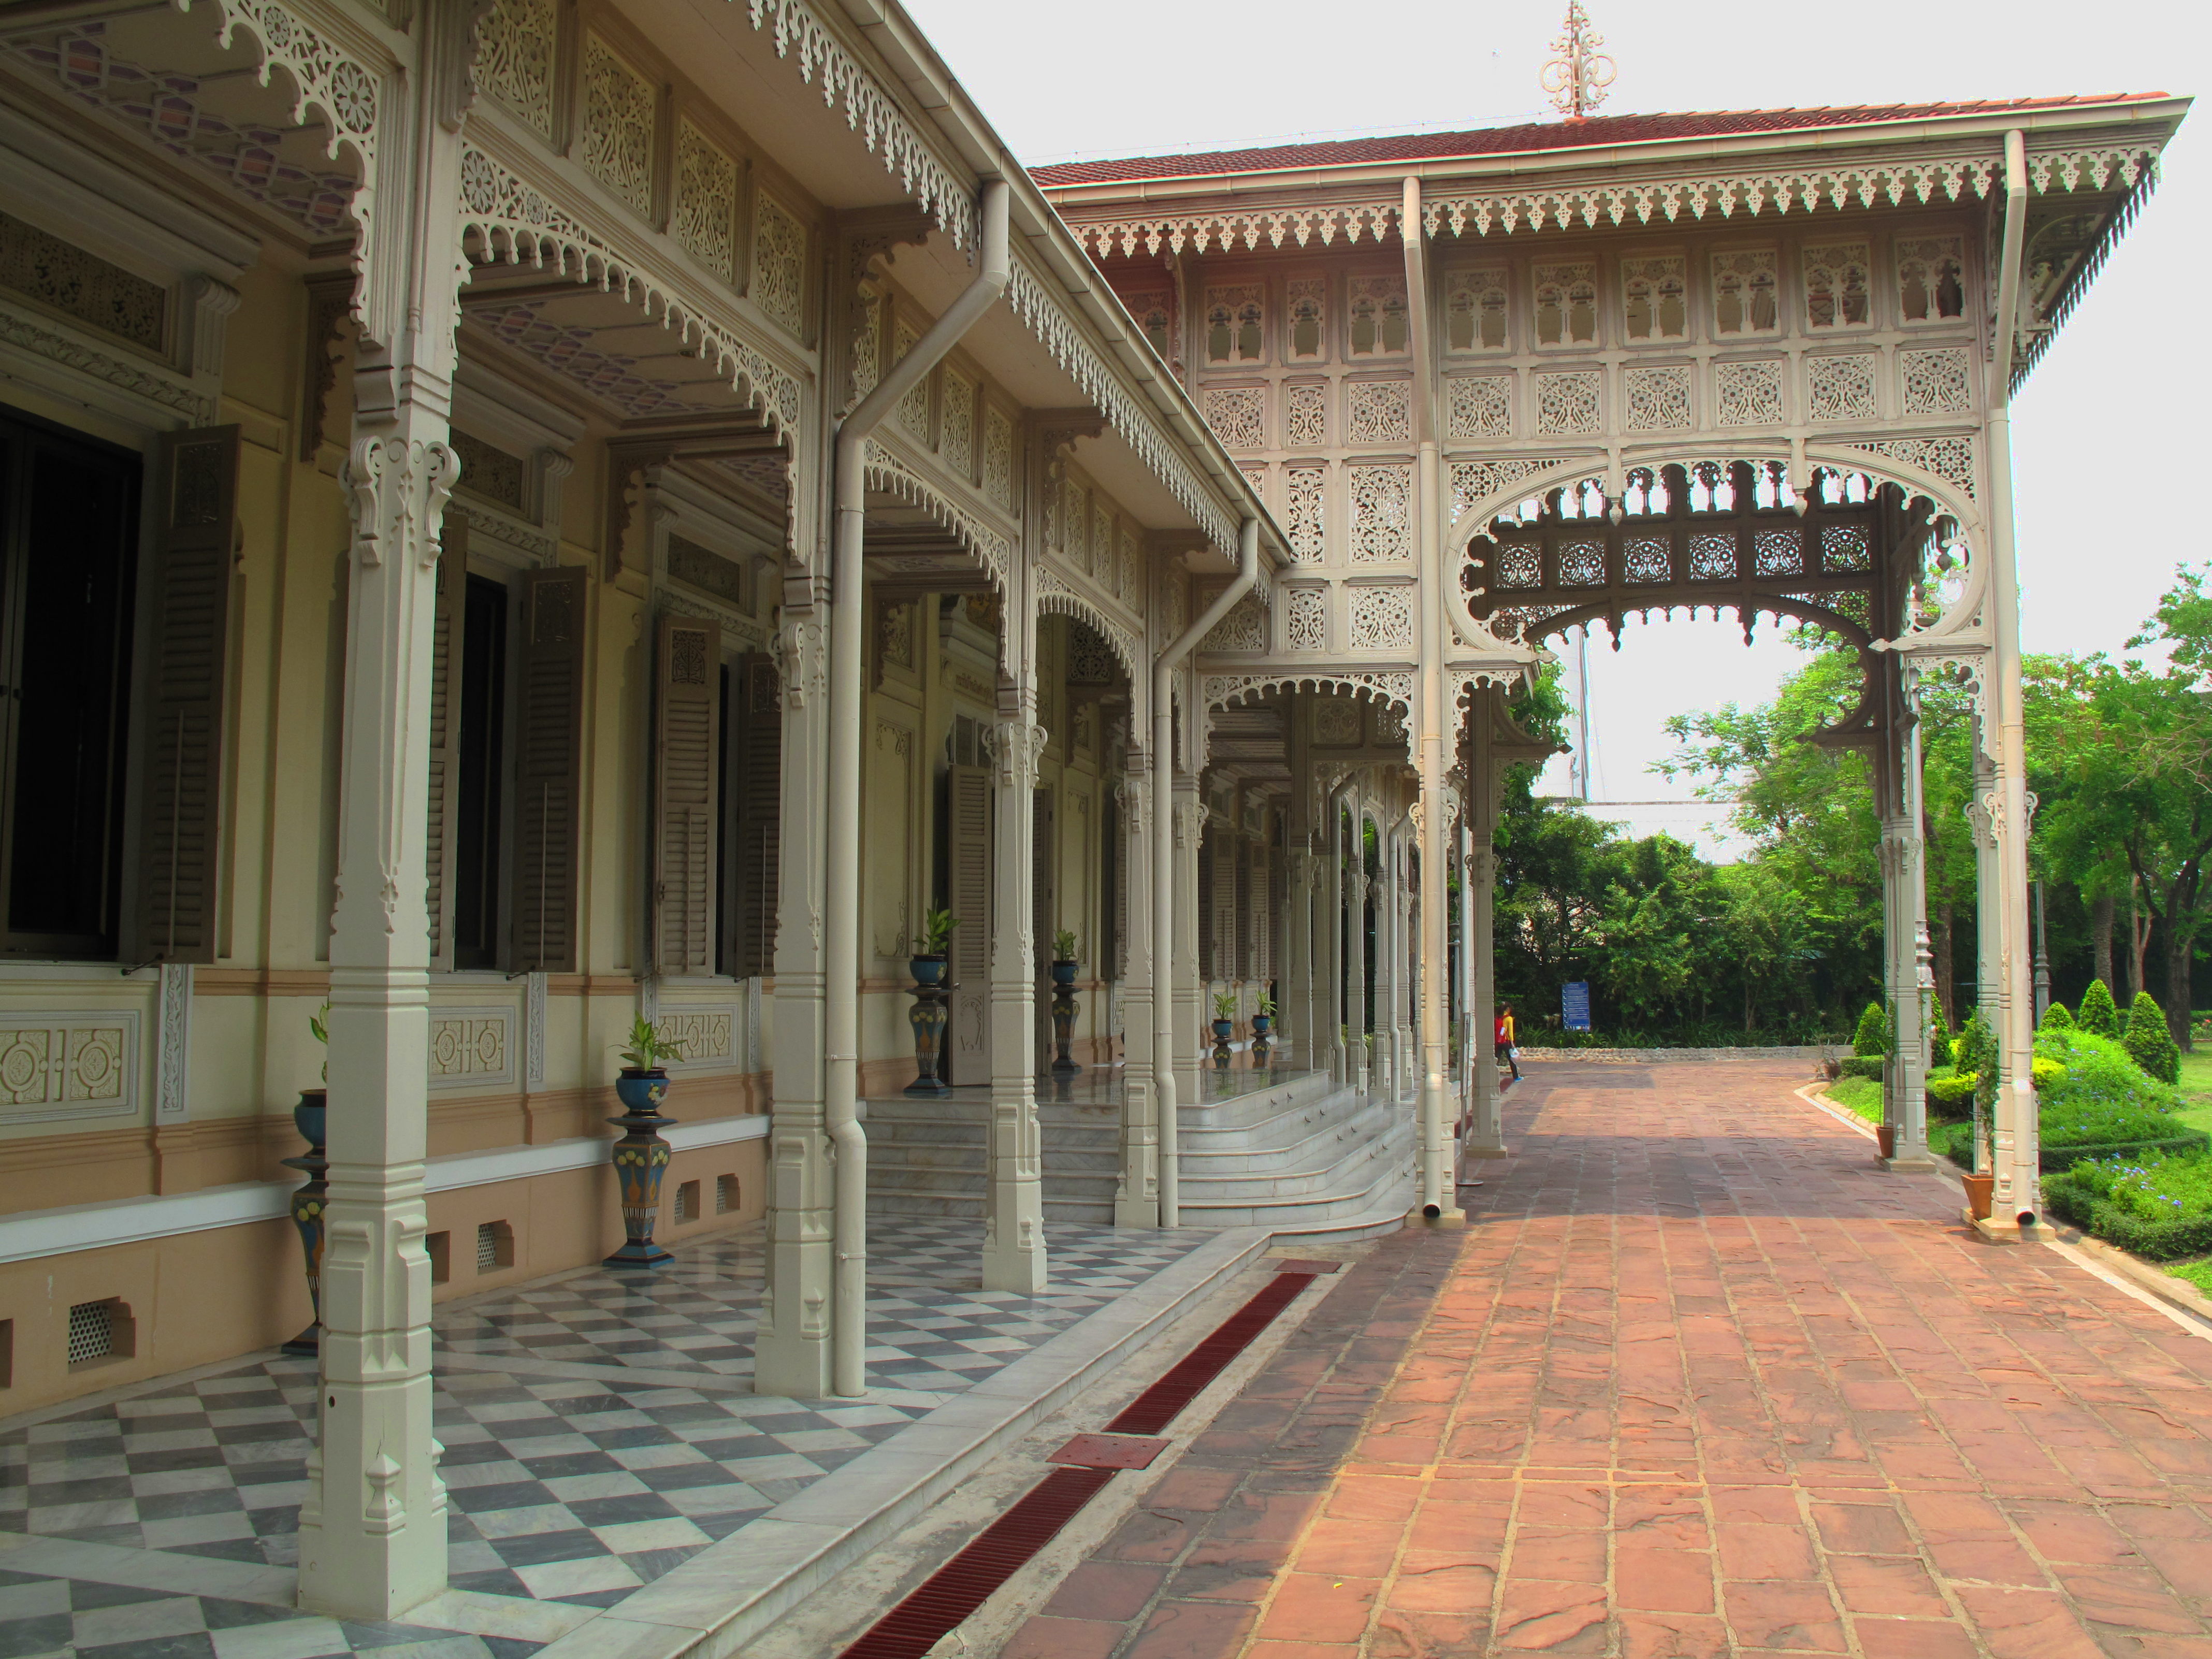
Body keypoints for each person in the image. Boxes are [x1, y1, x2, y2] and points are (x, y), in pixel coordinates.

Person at [1494, 1004, 1520, 1080]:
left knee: (1496, 1058)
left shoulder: (1498, 1018)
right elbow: (1510, 1032)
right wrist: (1512, 1043)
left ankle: (1489, 1074)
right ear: (1508, 1009)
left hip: (1498, 1041)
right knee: (1511, 1059)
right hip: (1506, 1041)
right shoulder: (1509, 1018)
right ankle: (1516, 1077)